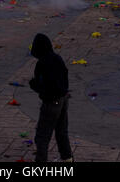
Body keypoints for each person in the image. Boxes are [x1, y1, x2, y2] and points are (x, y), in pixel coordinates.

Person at [29, 33, 73, 163]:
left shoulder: (42, 63)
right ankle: (67, 158)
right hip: (63, 99)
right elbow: (64, 76)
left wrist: (34, 85)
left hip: (51, 102)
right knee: (61, 131)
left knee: (42, 136)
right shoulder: (57, 58)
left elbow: (44, 86)